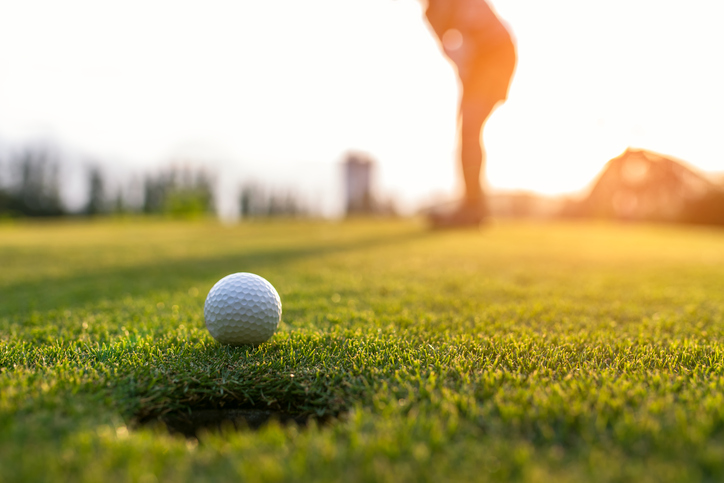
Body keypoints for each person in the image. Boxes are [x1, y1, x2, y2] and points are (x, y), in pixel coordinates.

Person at [424, 0, 516, 227]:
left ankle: (473, 207)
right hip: (480, 62)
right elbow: (453, 50)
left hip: (497, 54)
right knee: (469, 131)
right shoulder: (431, 12)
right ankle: (475, 206)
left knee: (470, 129)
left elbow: (470, 42)